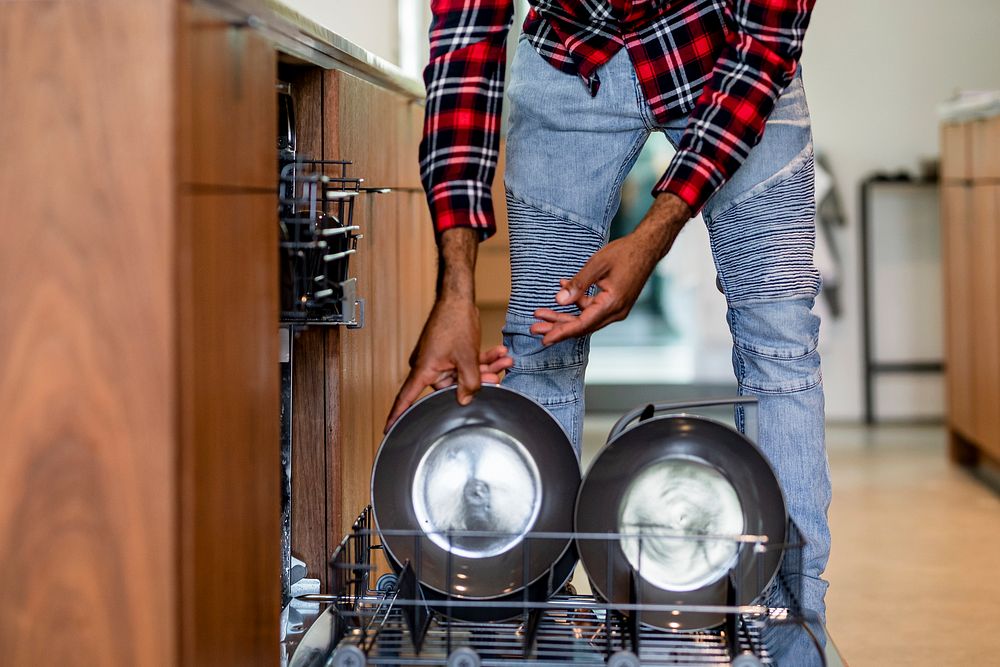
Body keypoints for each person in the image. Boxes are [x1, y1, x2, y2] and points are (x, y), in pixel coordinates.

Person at [386, 0, 832, 623]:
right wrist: (455, 286)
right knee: (540, 346)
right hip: (573, 59)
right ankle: (528, 615)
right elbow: (467, 38)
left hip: (722, 51)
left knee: (779, 343)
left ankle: (793, 624)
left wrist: (654, 235)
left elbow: (766, 43)